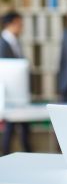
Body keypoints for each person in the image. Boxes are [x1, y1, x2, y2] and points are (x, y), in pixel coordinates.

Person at [0, 12, 32, 155]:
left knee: (23, 128)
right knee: (11, 129)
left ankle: (28, 154)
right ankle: (6, 156)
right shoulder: (3, 44)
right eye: (19, 24)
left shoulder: (16, 42)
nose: (22, 27)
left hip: (20, 94)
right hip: (10, 96)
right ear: (9, 25)